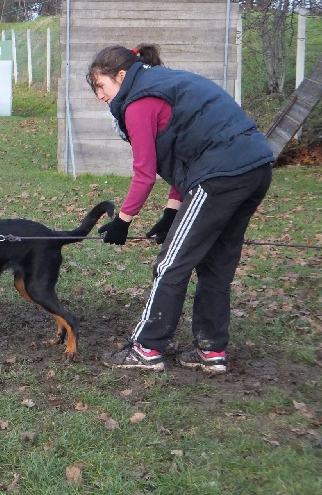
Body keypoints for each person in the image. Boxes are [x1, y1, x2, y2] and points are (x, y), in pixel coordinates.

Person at [87, 43, 274, 374]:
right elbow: (184, 153)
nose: (100, 96)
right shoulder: (163, 83)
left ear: (120, 76)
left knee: (171, 263)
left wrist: (124, 221)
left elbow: (144, 173)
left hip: (221, 174)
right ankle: (211, 351)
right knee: (216, 262)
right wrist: (172, 212)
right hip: (254, 168)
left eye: (100, 86)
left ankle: (146, 348)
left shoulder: (138, 103)